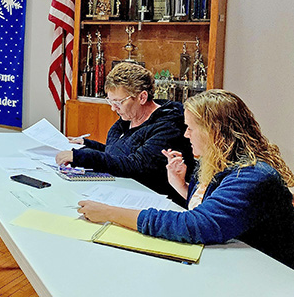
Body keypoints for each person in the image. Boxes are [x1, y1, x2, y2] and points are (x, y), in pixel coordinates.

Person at [77, 90, 294, 277]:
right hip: (237, 264)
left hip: (279, 277)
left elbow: (197, 224)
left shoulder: (252, 175)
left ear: (213, 131)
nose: (186, 135)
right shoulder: (214, 160)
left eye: (190, 128)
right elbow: (213, 208)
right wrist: (182, 186)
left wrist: (110, 212)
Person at [55, 62, 194, 206]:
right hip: (125, 191)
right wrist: (87, 144)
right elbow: (118, 152)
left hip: (157, 203)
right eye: (110, 101)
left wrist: (82, 157)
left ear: (142, 97)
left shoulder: (169, 126)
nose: (113, 108)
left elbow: (136, 165)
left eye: (118, 102)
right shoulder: (128, 117)